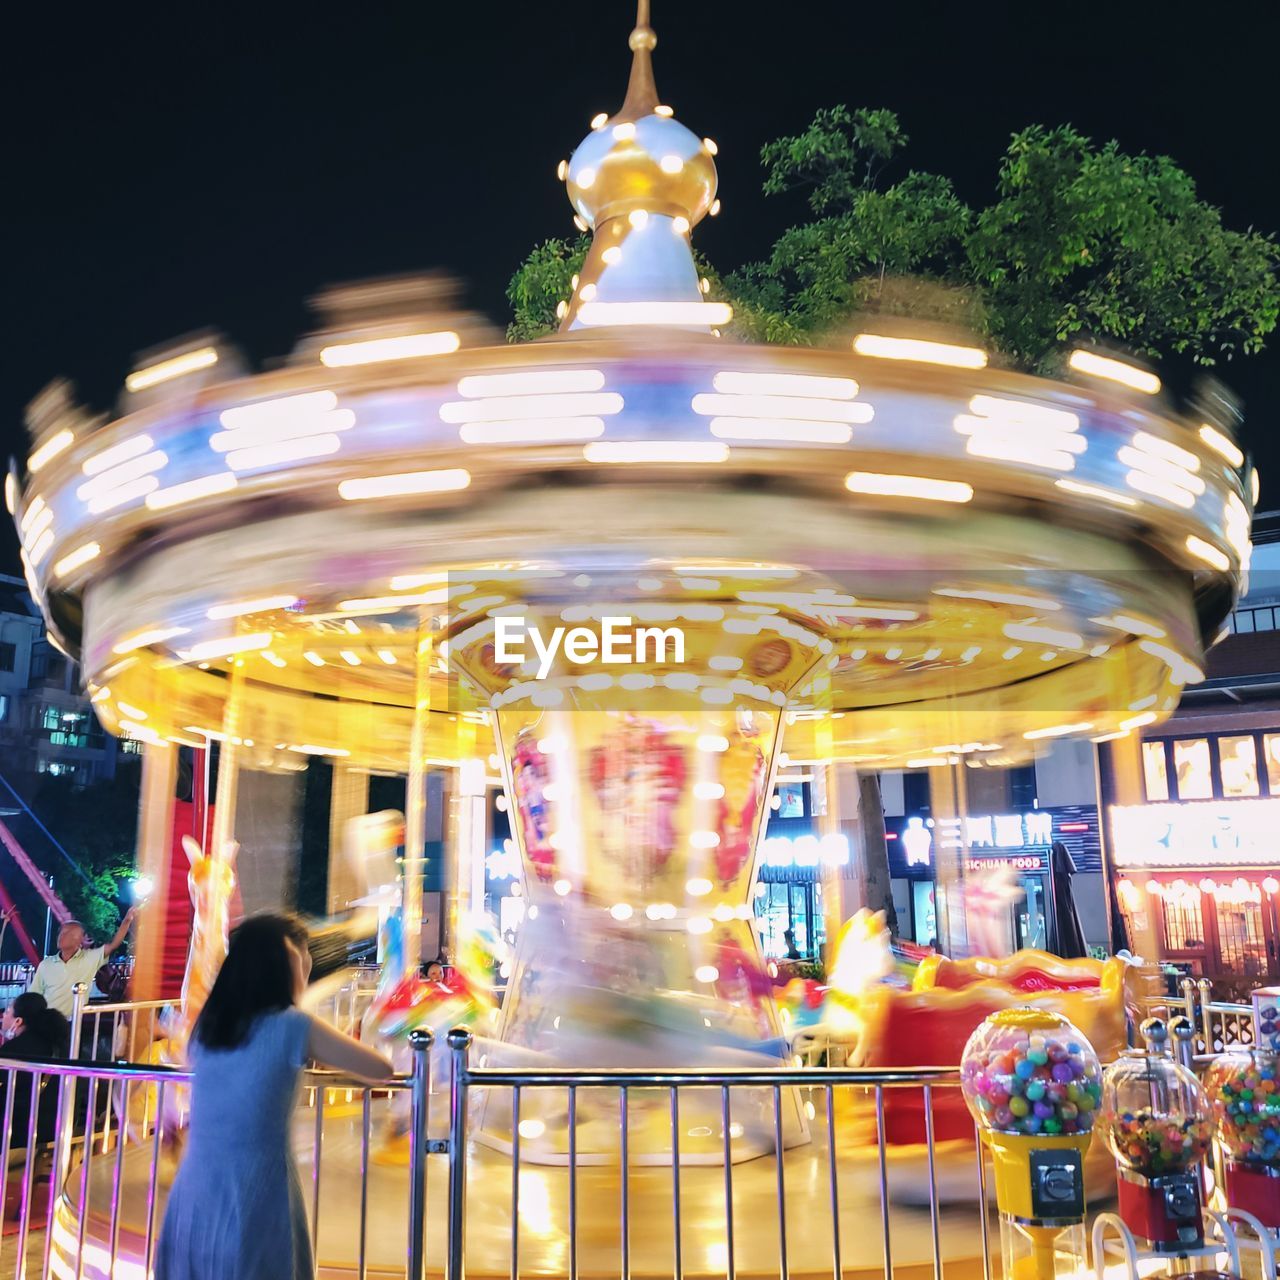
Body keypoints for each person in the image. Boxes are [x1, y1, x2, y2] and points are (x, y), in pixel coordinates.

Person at [156, 912, 393, 1280]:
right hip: (256, 1190)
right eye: (302, 960)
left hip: (196, 1186)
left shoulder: (208, 1026)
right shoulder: (293, 1025)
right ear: (287, 965)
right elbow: (380, 1069)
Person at [30, 909, 141, 1018]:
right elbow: (33, 995)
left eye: (67, 933)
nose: (61, 936)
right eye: (61, 932)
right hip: (45, 1021)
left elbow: (114, 944)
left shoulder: (90, 958)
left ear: (79, 939)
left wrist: (127, 920)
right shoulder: (46, 964)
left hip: (73, 1023)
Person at [0, 991, 71, 1147]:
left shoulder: (13, 1051)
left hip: (18, 1132)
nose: (3, 1016)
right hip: (58, 1127)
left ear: (17, 1021)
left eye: (6, 1012)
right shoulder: (60, 1045)